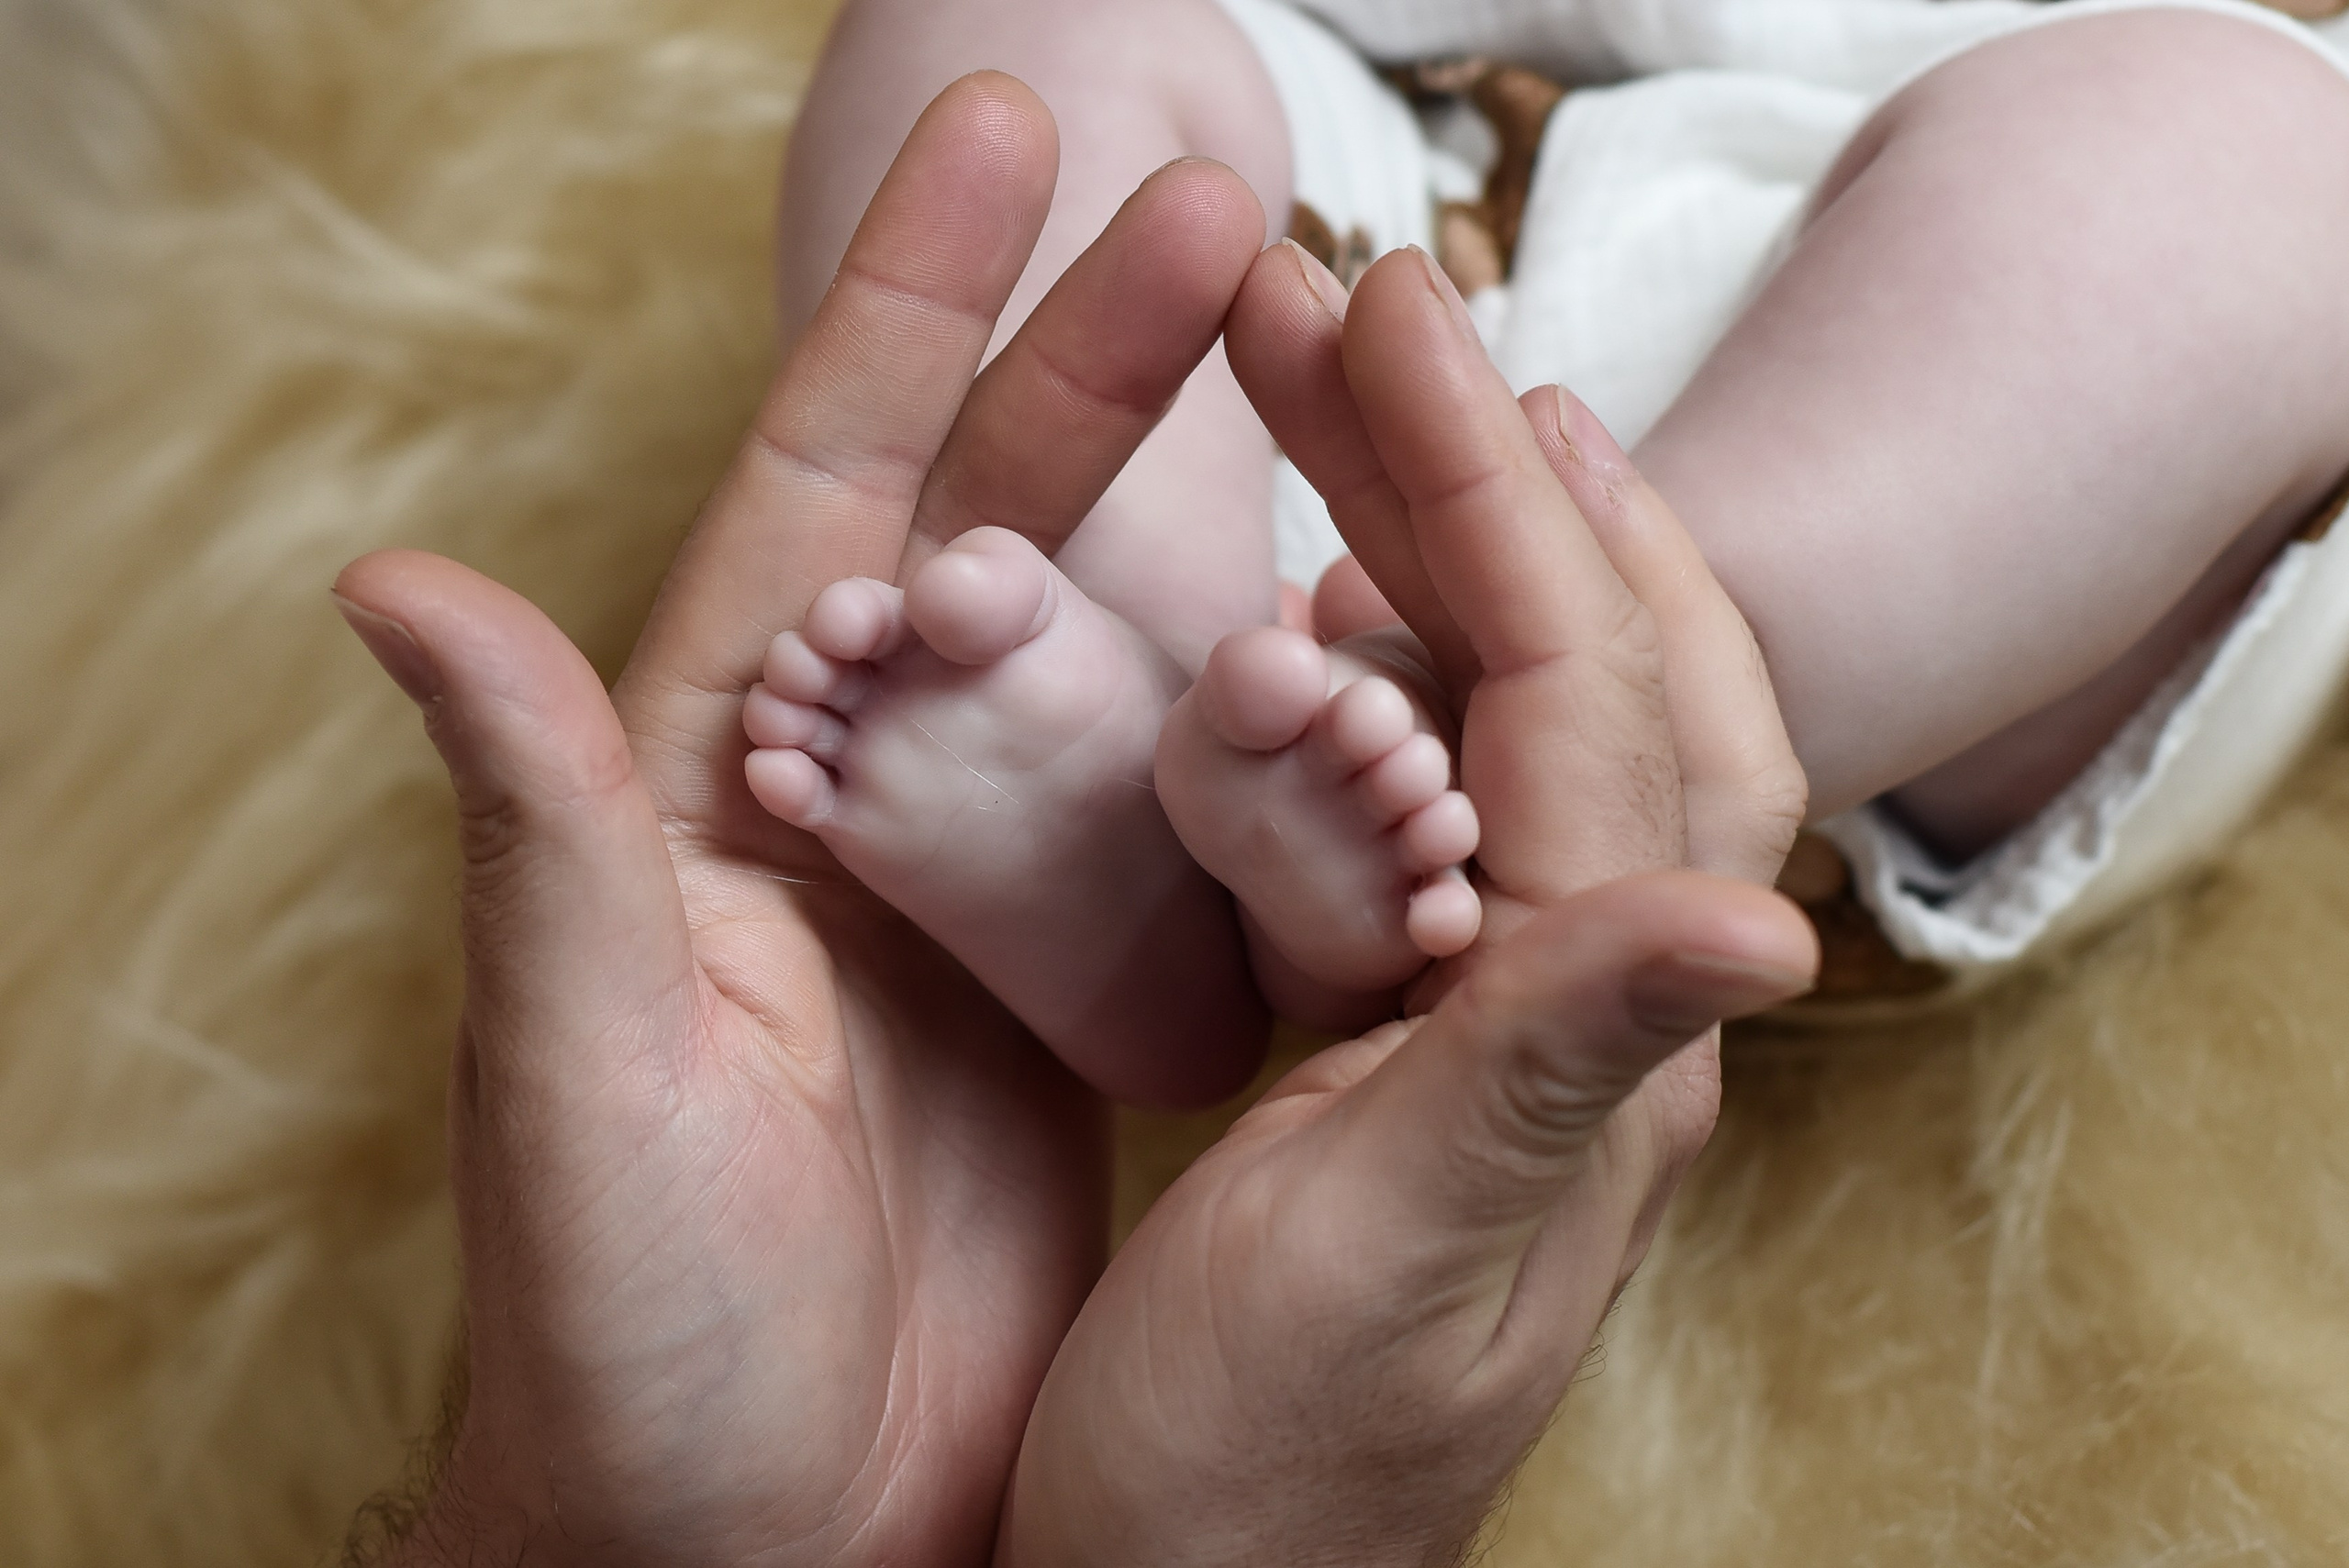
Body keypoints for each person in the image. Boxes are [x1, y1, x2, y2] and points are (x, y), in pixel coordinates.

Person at [334, 74, 1815, 1566]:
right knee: (1045, 75)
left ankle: (1175, 805)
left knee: (2047, 193)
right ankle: (1185, 790)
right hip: (1529, 338)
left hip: (1458, 423)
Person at [743, 0, 2349, 1103]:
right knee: (1020, 49)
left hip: (1901, 532)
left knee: (2267, 163)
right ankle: (1130, 708)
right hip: (1372, 228)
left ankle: (1575, 724)